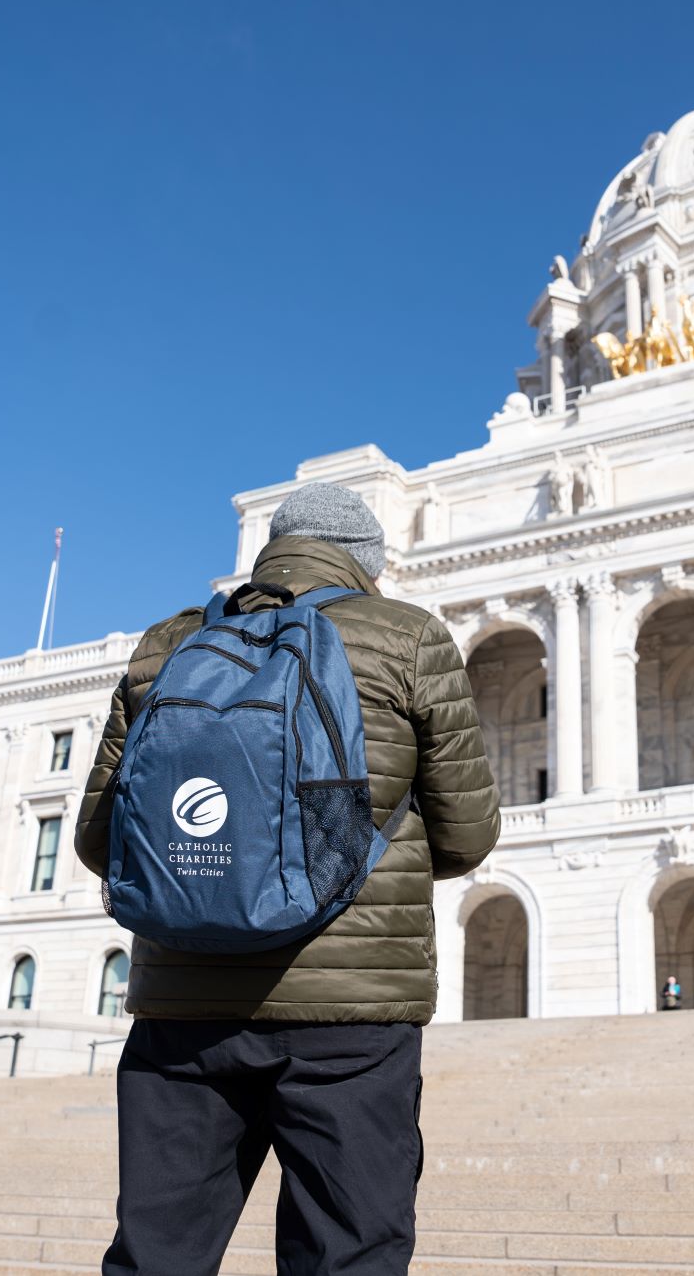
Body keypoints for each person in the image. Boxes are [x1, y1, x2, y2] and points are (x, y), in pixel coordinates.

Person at [74, 481, 501, 1276]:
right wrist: (349, 867)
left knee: (156, 1259)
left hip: (183, 1013)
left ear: (270, 549)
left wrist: (206, 876)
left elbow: (102, 838)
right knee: (348, 1256)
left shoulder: (168, 644)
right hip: (351, 1018)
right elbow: (468, 834)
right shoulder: (408, 638)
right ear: (370, 564)